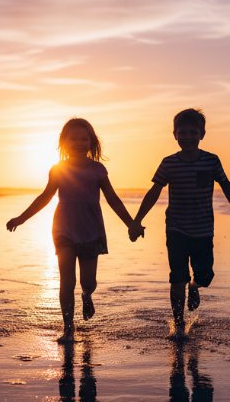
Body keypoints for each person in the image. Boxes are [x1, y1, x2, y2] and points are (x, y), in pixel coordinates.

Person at [7, 118, 143, 342]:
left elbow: (112, 199)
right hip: (64, 230)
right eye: (74, 139)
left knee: (88, 281)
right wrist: (21, 218)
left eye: (84, 139)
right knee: (66, 282)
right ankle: (68, 328)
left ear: (91, 142)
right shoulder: (58, 170)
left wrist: (131, 223)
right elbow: (45, 197)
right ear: (64, 142)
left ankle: (87, 295)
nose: (79, 143)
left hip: (91, 230)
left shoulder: (98, 170)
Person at [131, 108, 230, 339]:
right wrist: (137, 220)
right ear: (175, 135)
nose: (187, 137)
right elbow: (154, 191)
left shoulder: (211, 161)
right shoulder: (169, 163)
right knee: (177, 277)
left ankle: (195, 286)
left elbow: (227, 186)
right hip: (176, 229)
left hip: (203, 230)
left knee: (204, 276)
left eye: (193, 132)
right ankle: (179, 326)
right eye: (183, 132)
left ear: (202, 134)